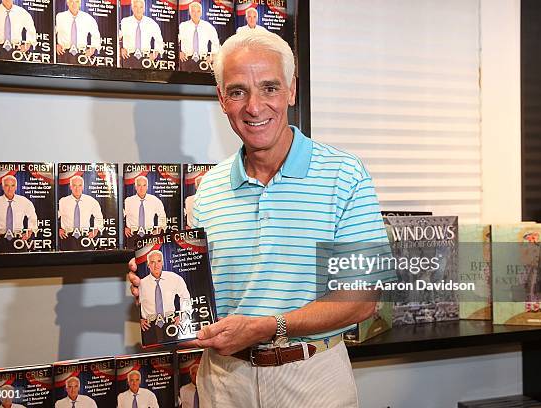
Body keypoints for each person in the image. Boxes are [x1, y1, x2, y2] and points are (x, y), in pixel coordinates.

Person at [129, 30, 394, 407]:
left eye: (269, 88)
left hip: (312, 379)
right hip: (223, 381)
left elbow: (362, 300)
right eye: (238, 91)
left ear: (292, 90)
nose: (254, 107)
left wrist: (268, 327)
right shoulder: (209, 188)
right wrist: (155, 288)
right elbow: (203, 300)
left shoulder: (345, 175)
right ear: (222, 100)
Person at [139, 250, 191, 345]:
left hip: (170, 322)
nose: (156, 265)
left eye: (159, 261)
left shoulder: (174, 278)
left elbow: (185, 296)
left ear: (163, 263)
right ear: (148, 264)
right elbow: (136, 303)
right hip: (149, 326)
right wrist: (139, 319)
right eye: (152, 262)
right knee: (153, 353)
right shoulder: (141, 283)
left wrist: (182, 315)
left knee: (174, 349)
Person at [0, 175, 37, 252]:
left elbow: (33, 217)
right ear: (2, 187)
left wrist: (30, 230)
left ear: (16, 187)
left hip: (19, 239)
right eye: (6, 185)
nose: (10, 189)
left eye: (12, 185)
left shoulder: (24, 201)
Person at [58, 175, 103, 251]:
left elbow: (99, 217)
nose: (77, 188)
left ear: (83, 187)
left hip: (85, 237)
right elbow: (55, 217)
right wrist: (59, 229)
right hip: (67, 237)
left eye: (80, 185)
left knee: (87, 261)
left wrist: (96, 230)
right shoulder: (63, 201)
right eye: (74, 185)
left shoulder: (91, 201)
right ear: (70, 187)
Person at [120, 0, 163, 68]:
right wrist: (120, 48)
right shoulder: (125, 22)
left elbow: (159, 39)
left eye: (141, 7)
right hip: (129, 58)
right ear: (132, 7)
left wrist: (156, 52)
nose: (138, 10)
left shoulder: (151, 23)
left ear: (144, 8)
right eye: (135, 6)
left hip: (146, 58)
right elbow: (117, 36)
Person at [55, 0, 100, 64]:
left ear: (80, 3)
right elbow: (51, 32)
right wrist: (55, 45)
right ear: (67, 3)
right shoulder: (59, 17)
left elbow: (96, 34)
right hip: (63, 53)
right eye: (71, 1)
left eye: (77, 1)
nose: (74, 4)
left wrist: (93, 48)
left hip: (82, 54)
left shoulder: (87, 18)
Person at [178, 1, 219, 71]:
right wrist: (179, 52)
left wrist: (211, 56)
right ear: (189, 12)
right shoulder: (183, 26)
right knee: (185, 81)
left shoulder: (208, 26)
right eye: (193, 11)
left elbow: (216, 42)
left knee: (203, 81)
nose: (195, 13)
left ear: (201, 12)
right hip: (186, 60)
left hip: (203, 61)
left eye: (198, 11)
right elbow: (176, 40)